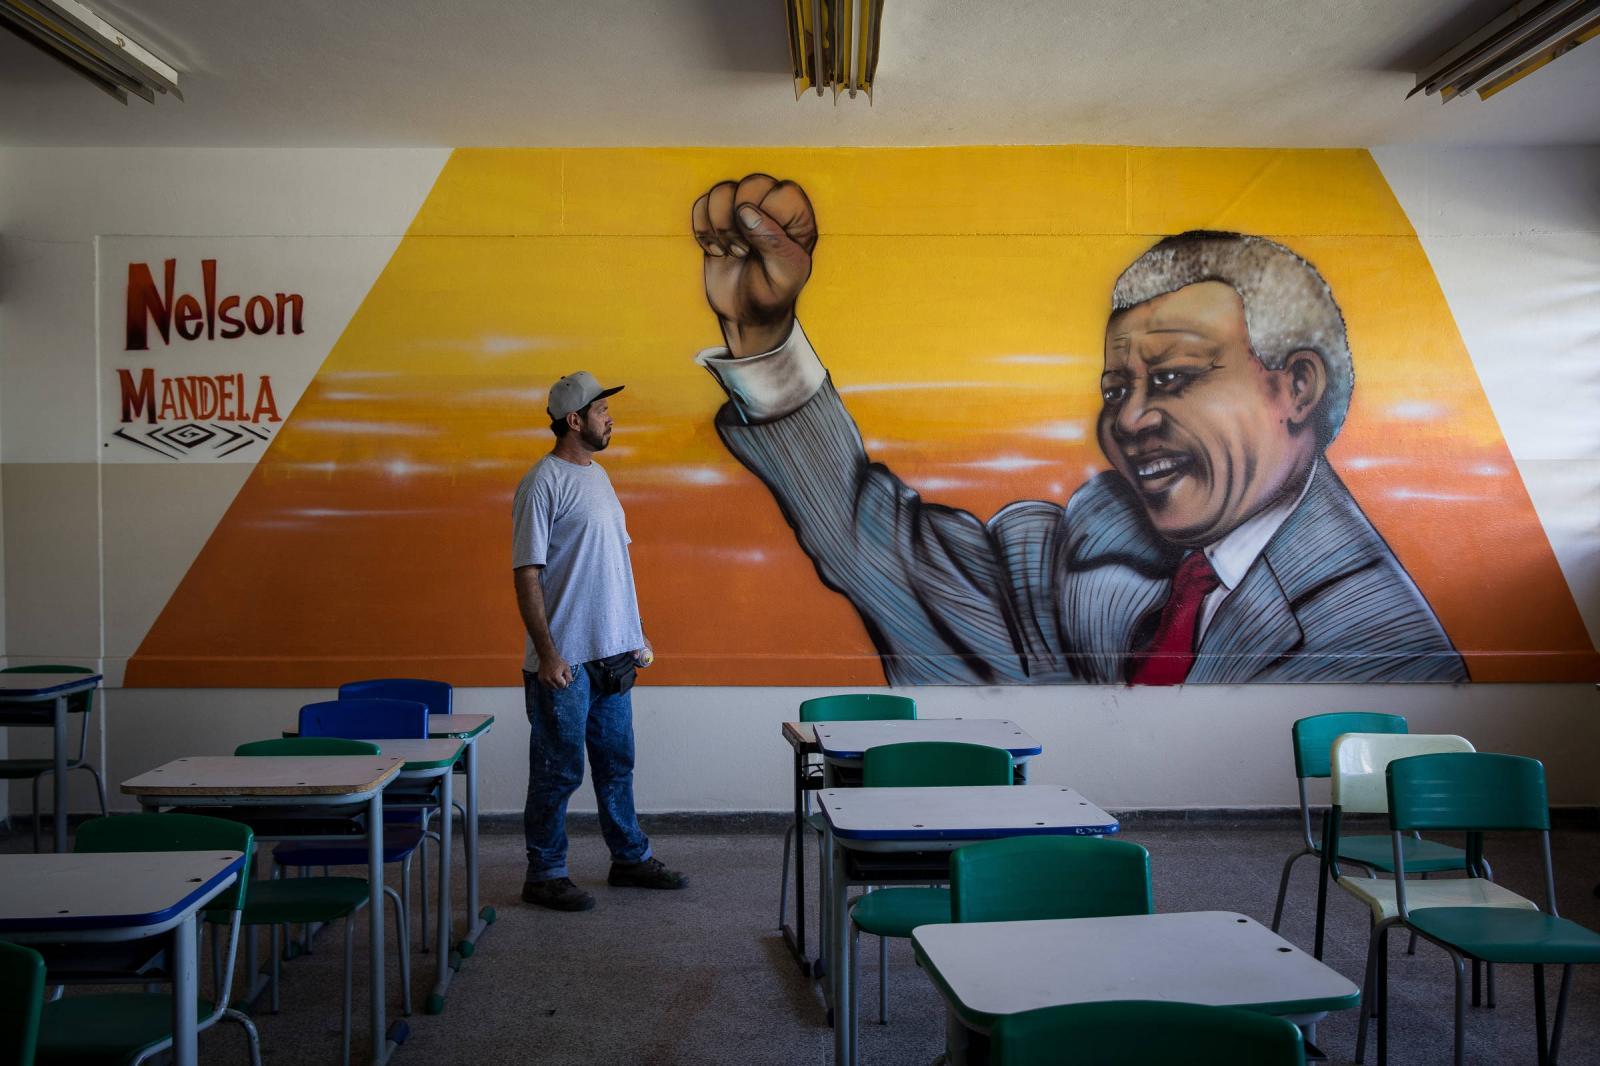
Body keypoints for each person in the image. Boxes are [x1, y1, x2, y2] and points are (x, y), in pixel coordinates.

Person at [687, 173, 1466, 685]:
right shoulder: (1088, 540)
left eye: (1171, 378)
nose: (1128, 419)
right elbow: (885, 554)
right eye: (1115, 387)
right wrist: (764, 338)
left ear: (1296, 385)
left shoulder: (1386, 651)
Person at [513, 370, 686, 911]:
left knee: (616, 763)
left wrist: (634, 633)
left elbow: (616, 565)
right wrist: (546, 654)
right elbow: (527, 572)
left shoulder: (600, 477)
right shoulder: (543, 482)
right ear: (574, 420)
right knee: (558, 769)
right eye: (602, 410)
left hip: (612, 653)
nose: (610, 417)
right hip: (563, 661)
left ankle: (629, 859)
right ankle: (544, 873)